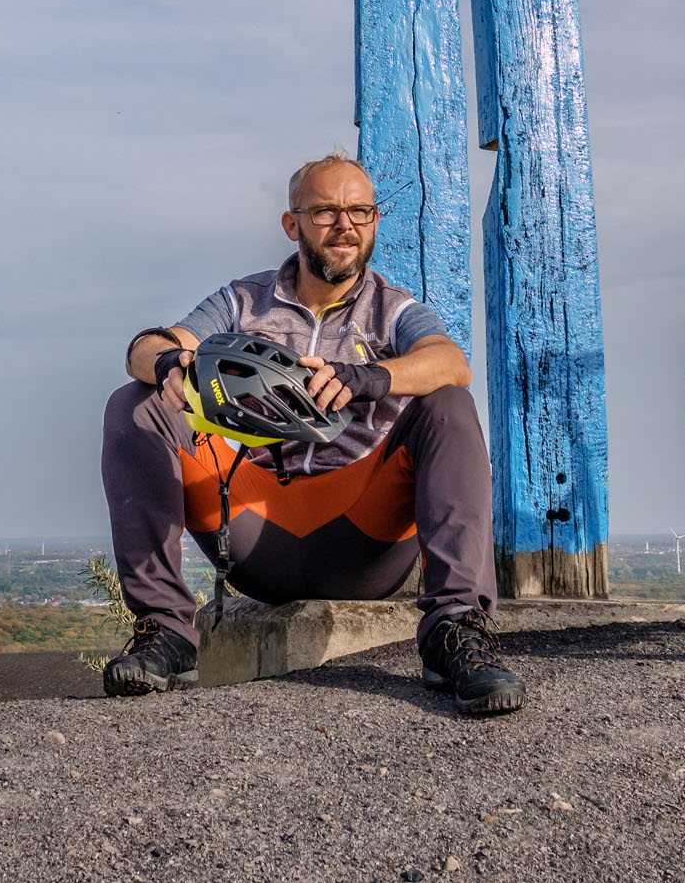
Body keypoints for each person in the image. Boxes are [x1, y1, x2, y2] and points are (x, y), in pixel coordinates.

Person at [99, 152, 523, 716]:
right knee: (135, 403)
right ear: (291, 223)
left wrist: (368, 378)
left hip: (361, 535)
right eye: (325, 211)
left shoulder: (393, 311)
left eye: (360, 211)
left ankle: (457, 633)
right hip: (256, 529)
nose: (345, 225)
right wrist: (171, 364)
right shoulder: (241, 301)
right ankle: (166, 634)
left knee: (449, 403)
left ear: (373, 221)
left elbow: (450, 363)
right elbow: (143, 348)